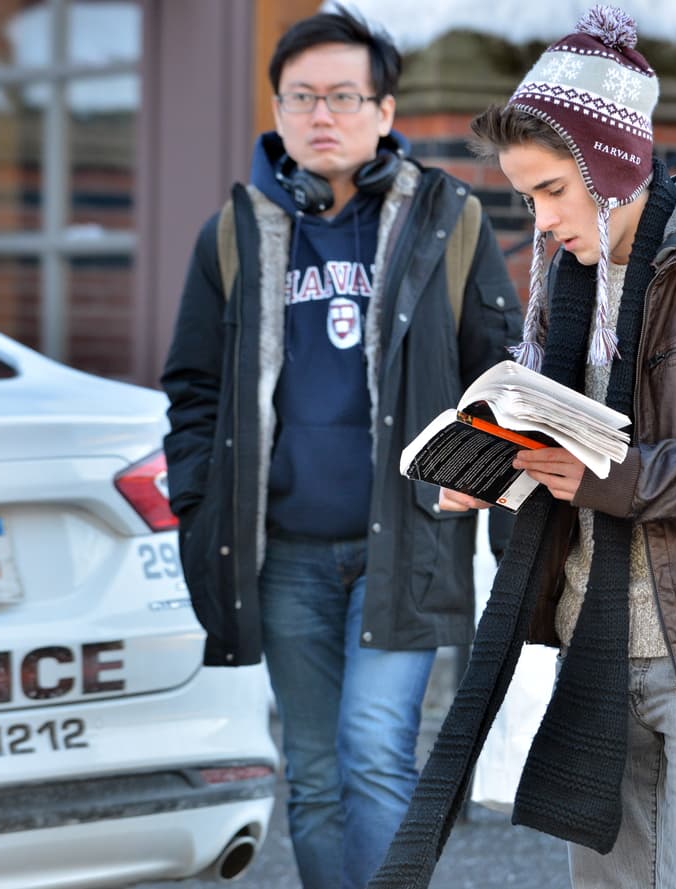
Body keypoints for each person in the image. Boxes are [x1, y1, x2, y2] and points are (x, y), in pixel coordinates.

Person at [371, 5, 676, 889]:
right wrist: (491, 473)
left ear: (614, 166)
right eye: (527, 196)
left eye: (553, 190)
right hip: (593, 639)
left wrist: (628, 477)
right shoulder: (564, 275)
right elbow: (564, 440)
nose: (542, 219)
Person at [158, 7, 522, 888]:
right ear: (278, 110)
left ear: (386, 111)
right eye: (302, 97)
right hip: (285, 555)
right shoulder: (235, 235)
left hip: (405, 547)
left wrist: (481, 487)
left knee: (372, 753)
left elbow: (502, 378)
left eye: (344, 96)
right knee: (314, 776)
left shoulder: (450, 222)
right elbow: (194, 390)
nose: (323, 115)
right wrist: (204, 498)